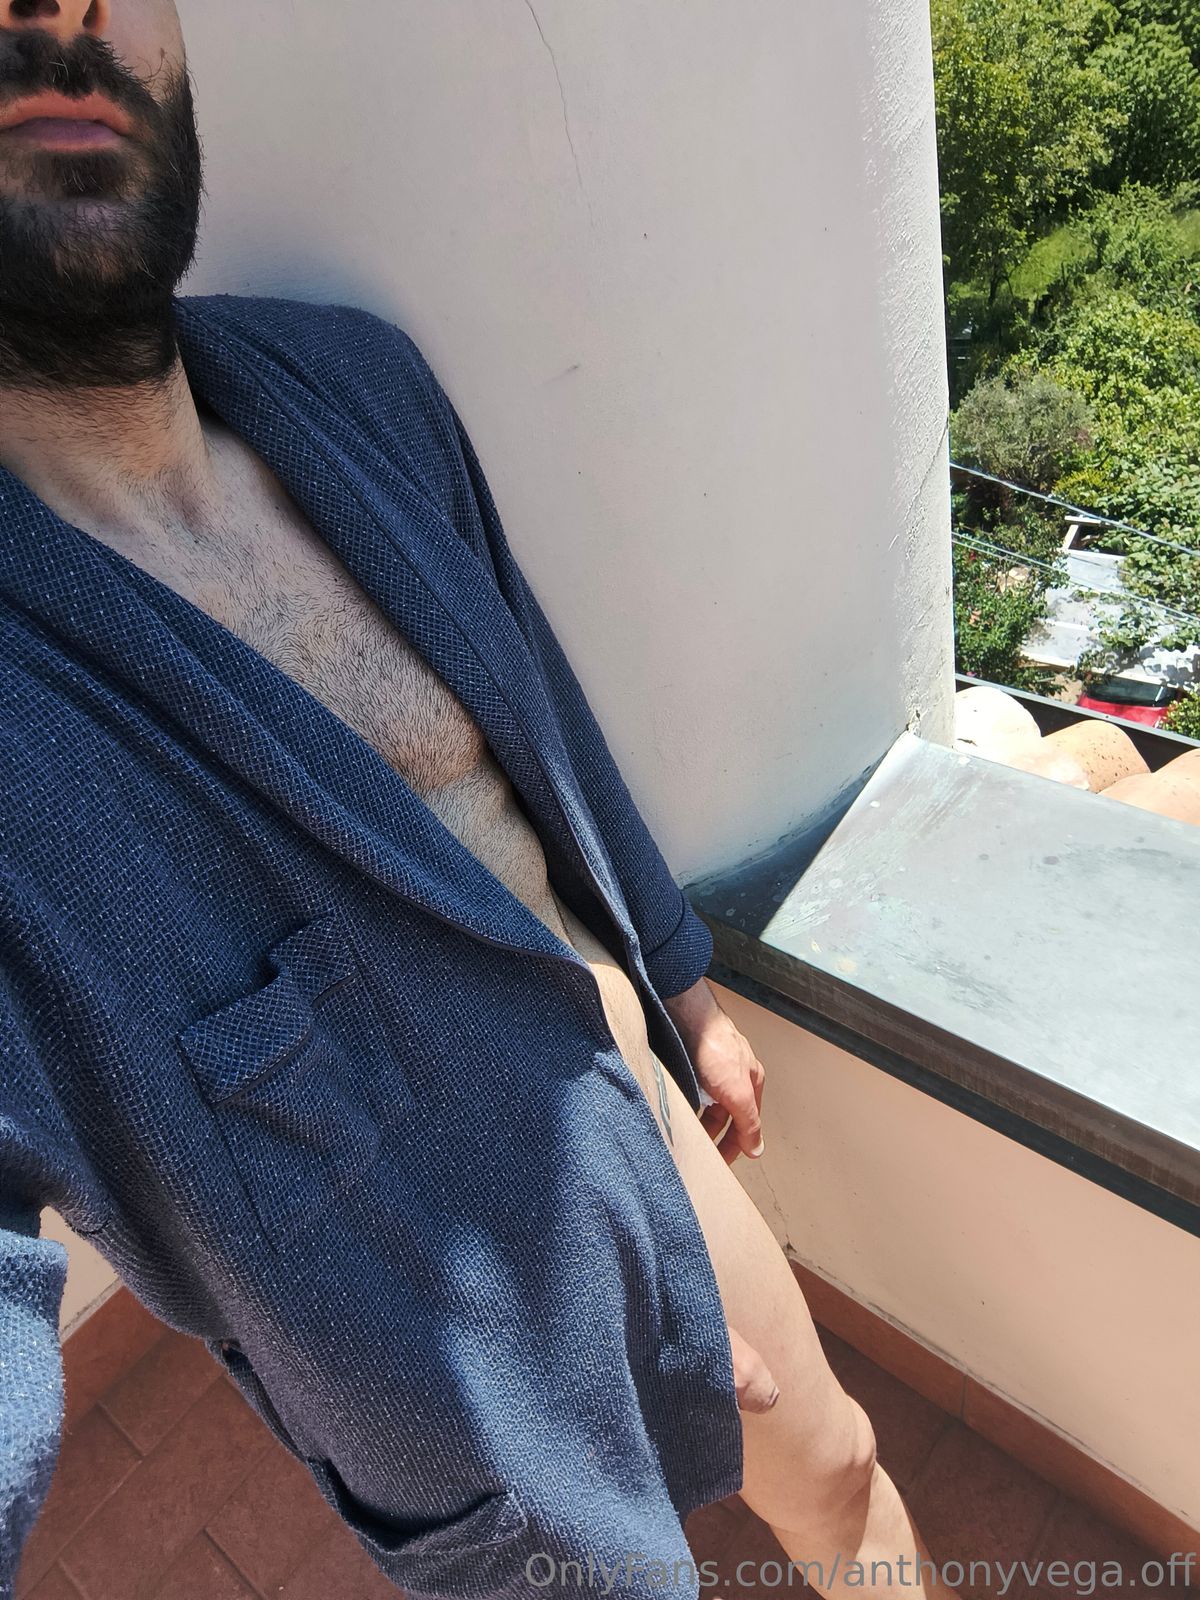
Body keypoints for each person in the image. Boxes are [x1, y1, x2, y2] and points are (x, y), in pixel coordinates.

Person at [0, 5, 958, 1598]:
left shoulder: (350, 385)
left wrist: (680, 977)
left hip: (633, 1097)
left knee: (843, 1475)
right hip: (462, 1378)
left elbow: (535, 705)